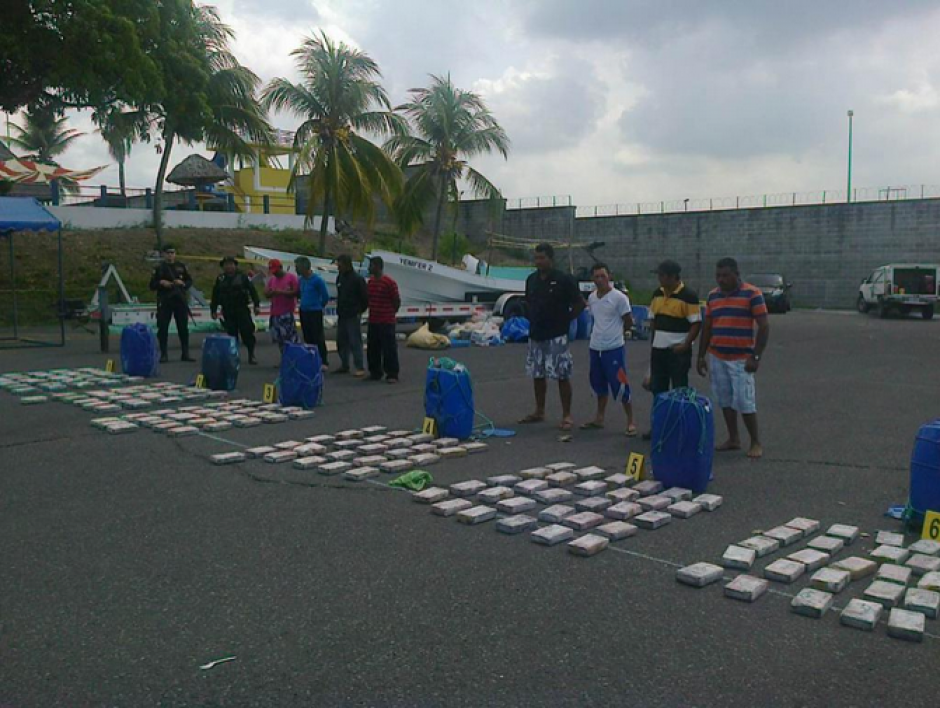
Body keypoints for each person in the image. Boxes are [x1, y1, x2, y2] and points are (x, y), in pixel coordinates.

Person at [697, 257, 770, 459]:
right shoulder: (713, 296)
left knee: (745, 401)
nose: (721, 280)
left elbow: (764, 326)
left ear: (736, 275)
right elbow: (707, 327)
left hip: (741, 359)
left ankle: (755, 441)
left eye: (725, 275)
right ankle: (733, 438)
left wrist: (756, 356)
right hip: (718, 356)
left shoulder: (752, 294)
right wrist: (701, 356)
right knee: (724, 399)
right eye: (718, 276)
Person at [519, 242, 585, 431]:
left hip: (557, 335)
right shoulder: (531, 280)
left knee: (562, 374)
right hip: (536, 334)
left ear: (551, 259)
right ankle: (539, 411)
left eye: (542, 258)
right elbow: (529, 302)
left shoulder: (564, 279)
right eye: (536, 258)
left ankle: (567, 415)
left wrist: (567, 319)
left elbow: (580, 303)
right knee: (537, 374)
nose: (538, 262)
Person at [643, 259, 701, 439]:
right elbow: (653, 322)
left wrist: (685, 344)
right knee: (658, 390)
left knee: (679, 390)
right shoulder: (657, 294)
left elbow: (696, 323)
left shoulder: (688, 295)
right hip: (658, 350)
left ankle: (679, 428)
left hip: (678, 352)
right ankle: (658, 426)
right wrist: (653, 345)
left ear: (672, 277)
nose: (659, 279)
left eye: (661, 275)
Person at [580, 263, 636, 436]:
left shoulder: (619, 298)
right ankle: (599, 417)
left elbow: (628, 320)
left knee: (620, 383)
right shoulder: (592, 298)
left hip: (613, 348)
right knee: (598, 383)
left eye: (602, 276)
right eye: (596, 277)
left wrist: (620, 333)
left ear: (609, 276)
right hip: (595, 347)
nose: (599, 280)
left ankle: (630, 421)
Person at [210, 256, 260, 365]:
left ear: (235, 265)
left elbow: (252, 291)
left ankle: (251, 354)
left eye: (231, 264)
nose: (229, 266)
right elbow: (215, 295)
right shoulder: (220, 279)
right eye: (226, 264)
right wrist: (213, 310)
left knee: (247, 333)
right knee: (231, 335)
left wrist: (256, 305)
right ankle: (234, 356)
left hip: (241, 309)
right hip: (228, 310)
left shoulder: (242, 277)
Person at [149, 244, 194, 363]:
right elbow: (152, 285)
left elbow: (189, 281)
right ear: (164, 254)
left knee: (183, 327)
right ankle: (164, 354)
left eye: (172, 253)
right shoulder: (159, 268)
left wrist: (182, 283)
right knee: (163, 328)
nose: (170, 255)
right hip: (165, 300)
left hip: (180, 300)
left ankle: (185, 353)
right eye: (168, 253)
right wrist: (161, 283)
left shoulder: (181, 266)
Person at [365, 256, 401, 383]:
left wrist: (391, 313)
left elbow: (396, 300)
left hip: (386, 321)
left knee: (389, 348)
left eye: (371, 265)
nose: (369, 268)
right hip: (373, 320)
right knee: (373, 348)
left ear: (378, 267)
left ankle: (392, 374)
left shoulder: (389, 282)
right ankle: (375, 372)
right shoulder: (370, 282)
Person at [334, 254, 368, 377]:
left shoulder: (357, 279)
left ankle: (359, 366)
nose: (338, 267)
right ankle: (344, 364)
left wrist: (359, 311)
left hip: (353, 314)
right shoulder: (340, 277)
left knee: (355, 341)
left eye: (340, 265)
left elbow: (365, 298)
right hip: (342, 314)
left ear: (346, 264)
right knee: (341, 341)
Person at [295, 256, 331, 371]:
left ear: (304, 267)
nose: (296, 269)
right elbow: (299, 293)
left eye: (298, 267)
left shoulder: (317, 280)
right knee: (307, 336)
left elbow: (325, 296)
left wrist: (319, 306)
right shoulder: (301, 280)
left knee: (318, 337)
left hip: (315, 311)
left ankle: (323, 360)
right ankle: (311, 359)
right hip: (304, 310)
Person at [263, 258, 299, 362]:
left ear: (281, 267)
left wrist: (282, 292)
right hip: (275, 312)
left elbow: (296, 292)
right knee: (279, 338)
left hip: (286, 312)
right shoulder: (272, 279)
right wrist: (271, 292)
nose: (275, 273)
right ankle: (285, 359)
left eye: (276, 271)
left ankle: (294, 358)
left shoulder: (291, 277)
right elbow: (266, 293)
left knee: (290, 338)